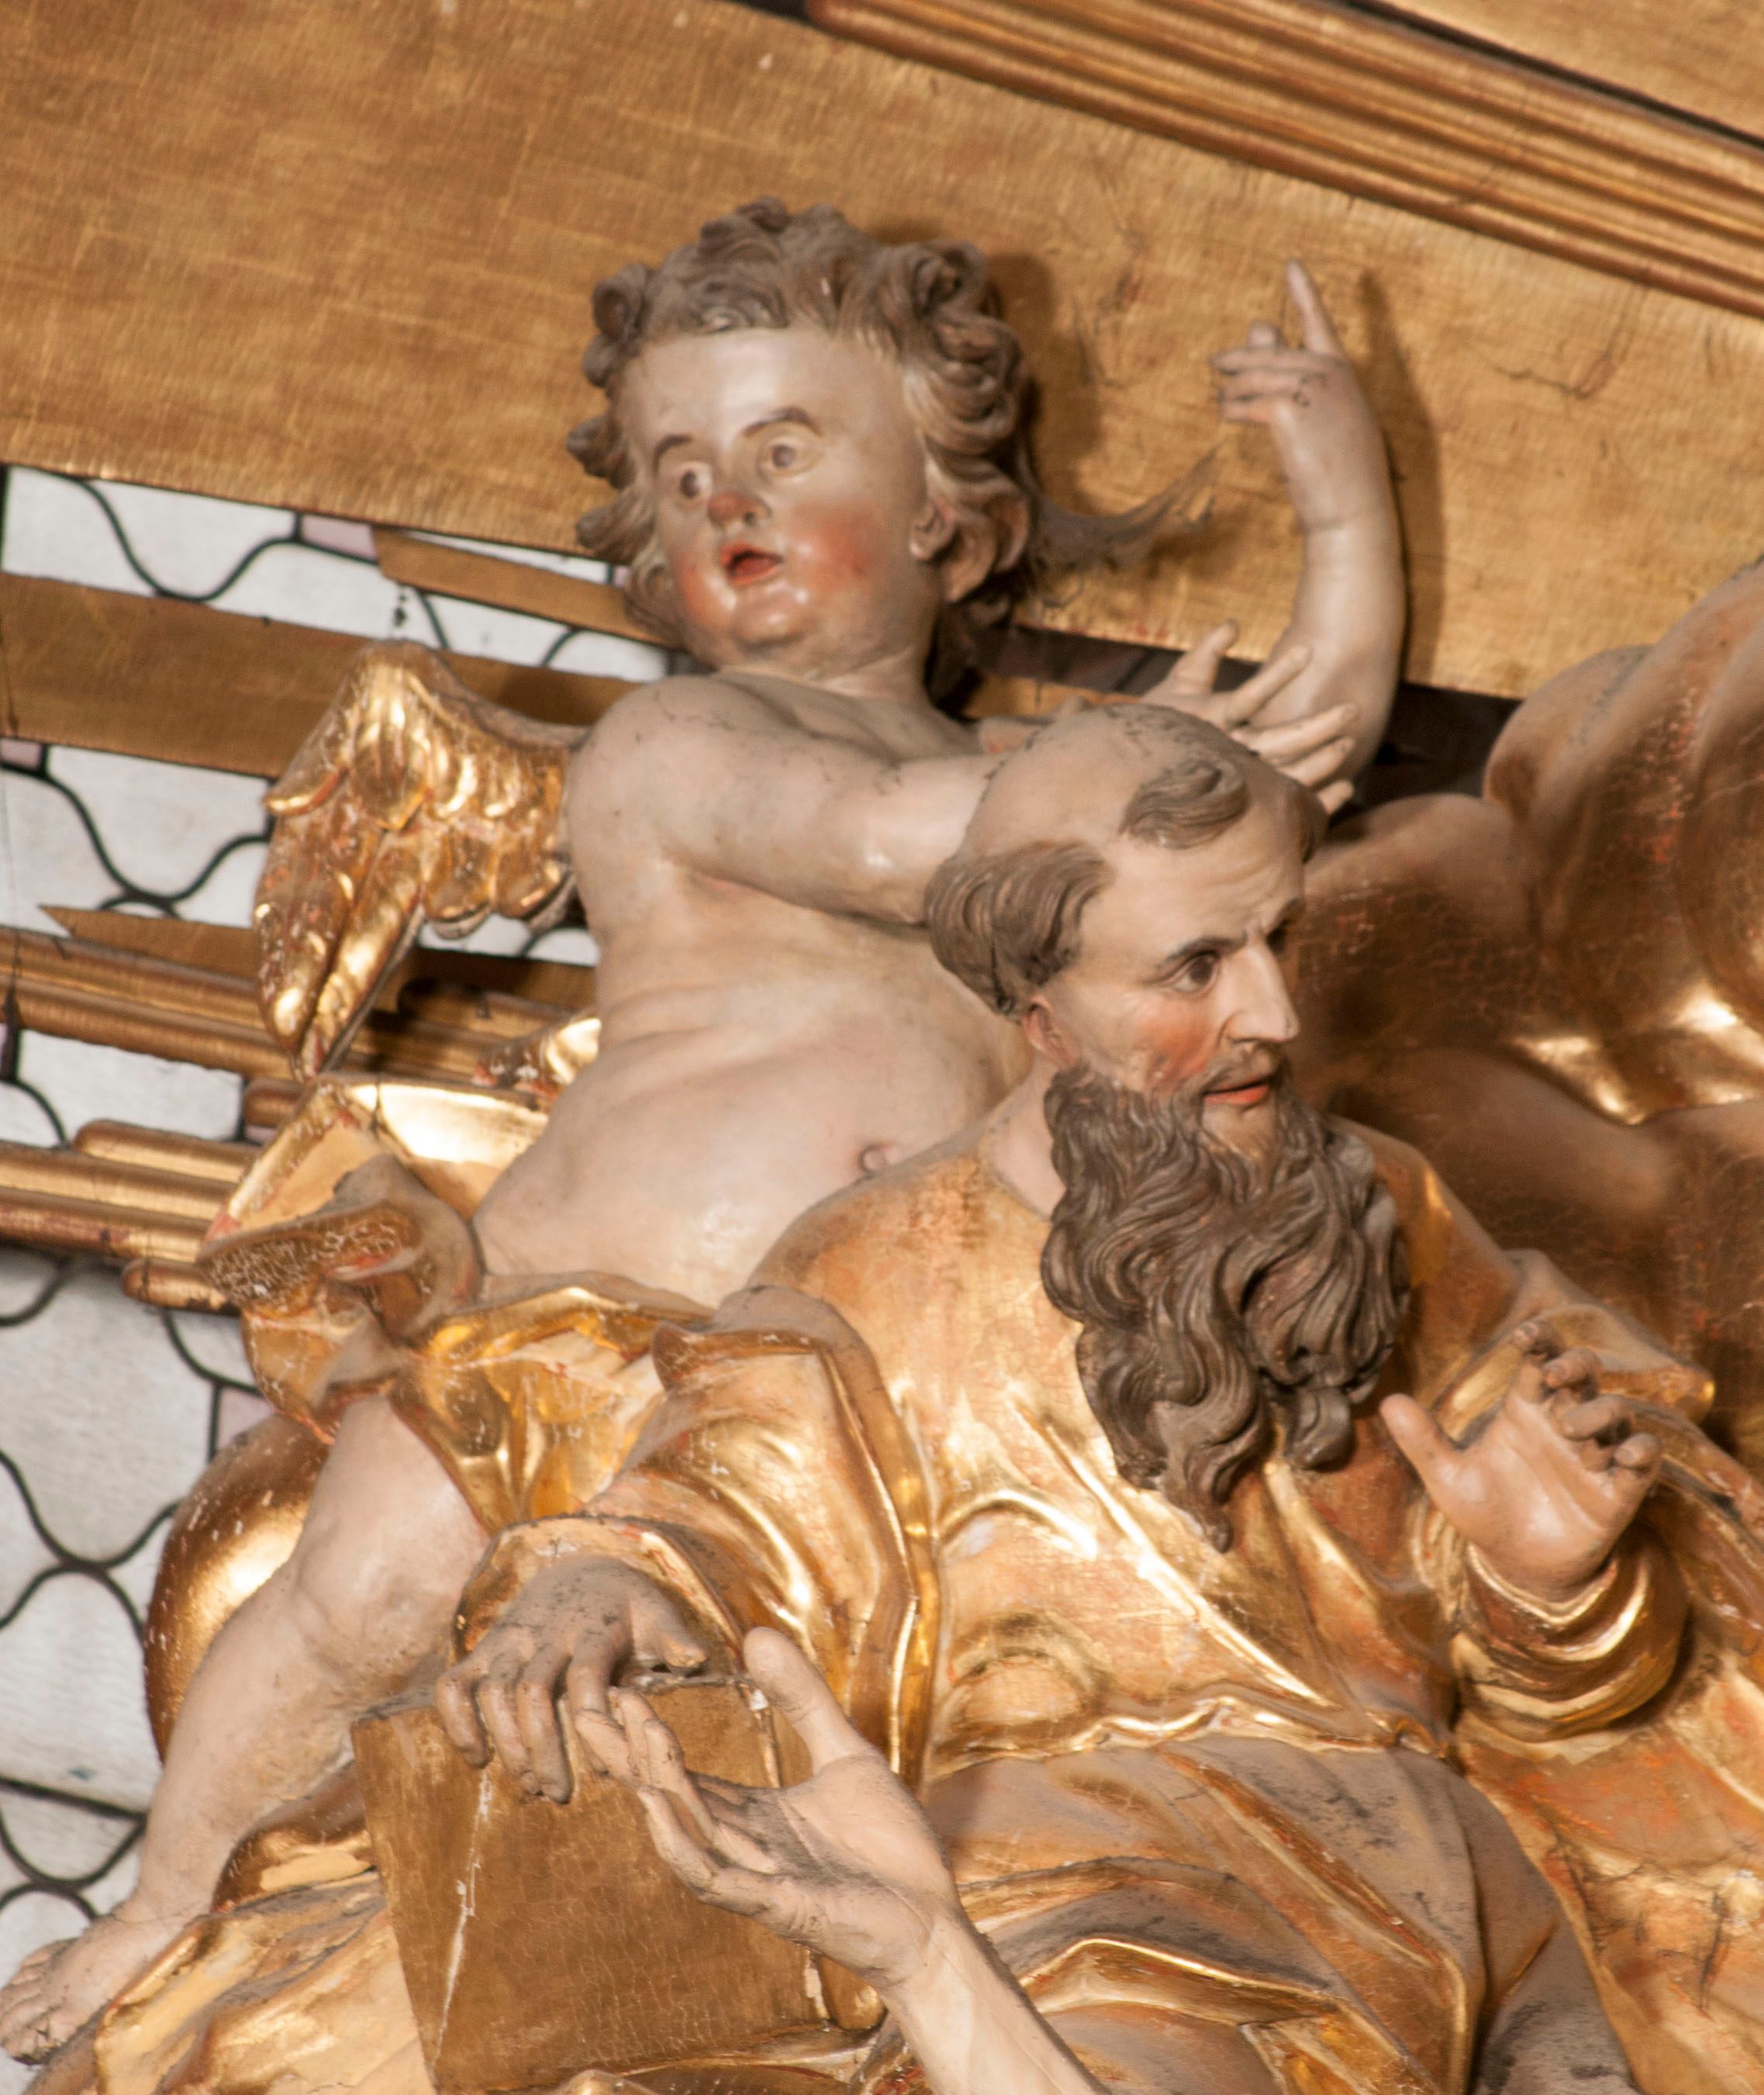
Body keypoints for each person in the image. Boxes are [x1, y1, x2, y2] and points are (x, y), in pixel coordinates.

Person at [0, 199, 1406, 2062]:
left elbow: (1288, 783)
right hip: (572, 1326)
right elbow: (886, 843)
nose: (723, 496)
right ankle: (165, 1901)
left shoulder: (1041, 809)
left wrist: (1341, 506)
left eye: (783, 450)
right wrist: (1113, 795)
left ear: (948, 510)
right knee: (354, 1603)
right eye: (679, 473)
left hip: (839, 1390)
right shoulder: (672, 750)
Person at [437, 704, 1763, 2091]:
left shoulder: (1391, 1210)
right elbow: (707, 1528)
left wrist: (1553, 1590)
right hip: (1082, 1892)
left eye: (1280, 936)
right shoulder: (871, 1269)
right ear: (1041, 1008)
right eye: (1196, 967)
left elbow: (1570, 1696)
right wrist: (600, 1580)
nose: (1275, 1015)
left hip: (1447, 1884)